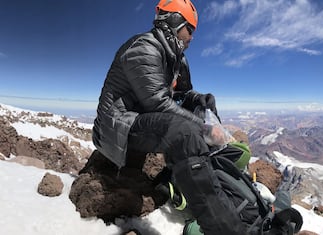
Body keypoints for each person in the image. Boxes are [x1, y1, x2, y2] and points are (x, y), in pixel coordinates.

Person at [92, 0, 245, 234]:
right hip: (119, 125)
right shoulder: (144, 48)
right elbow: (158, 102)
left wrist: (200, 100)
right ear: (174, 22)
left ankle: (204, 177)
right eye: (190, 29)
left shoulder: (176, 57)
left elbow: (182, 94)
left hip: (143, 119)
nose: (192, 37)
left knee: (202, 107)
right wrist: (205, 129)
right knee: (186, 132)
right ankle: (224, 228)